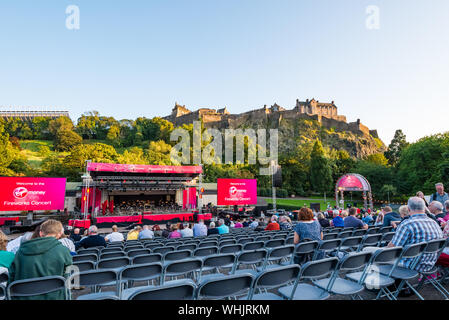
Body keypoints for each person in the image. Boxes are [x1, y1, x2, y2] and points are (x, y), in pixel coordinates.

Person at [8, 219, 73, 300]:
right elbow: (68, 279)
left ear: (41, 233)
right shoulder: (63, 251)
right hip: (55, 297)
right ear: (59, 234)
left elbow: (11, 280)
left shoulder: (20, 252)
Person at [388, 197, 443, 273]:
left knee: (373, 255)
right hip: (429, 264)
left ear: (408, 209)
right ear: (424, 208)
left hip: (410, 265)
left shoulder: (407, 224)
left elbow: (392, 248)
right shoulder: (434, 223)